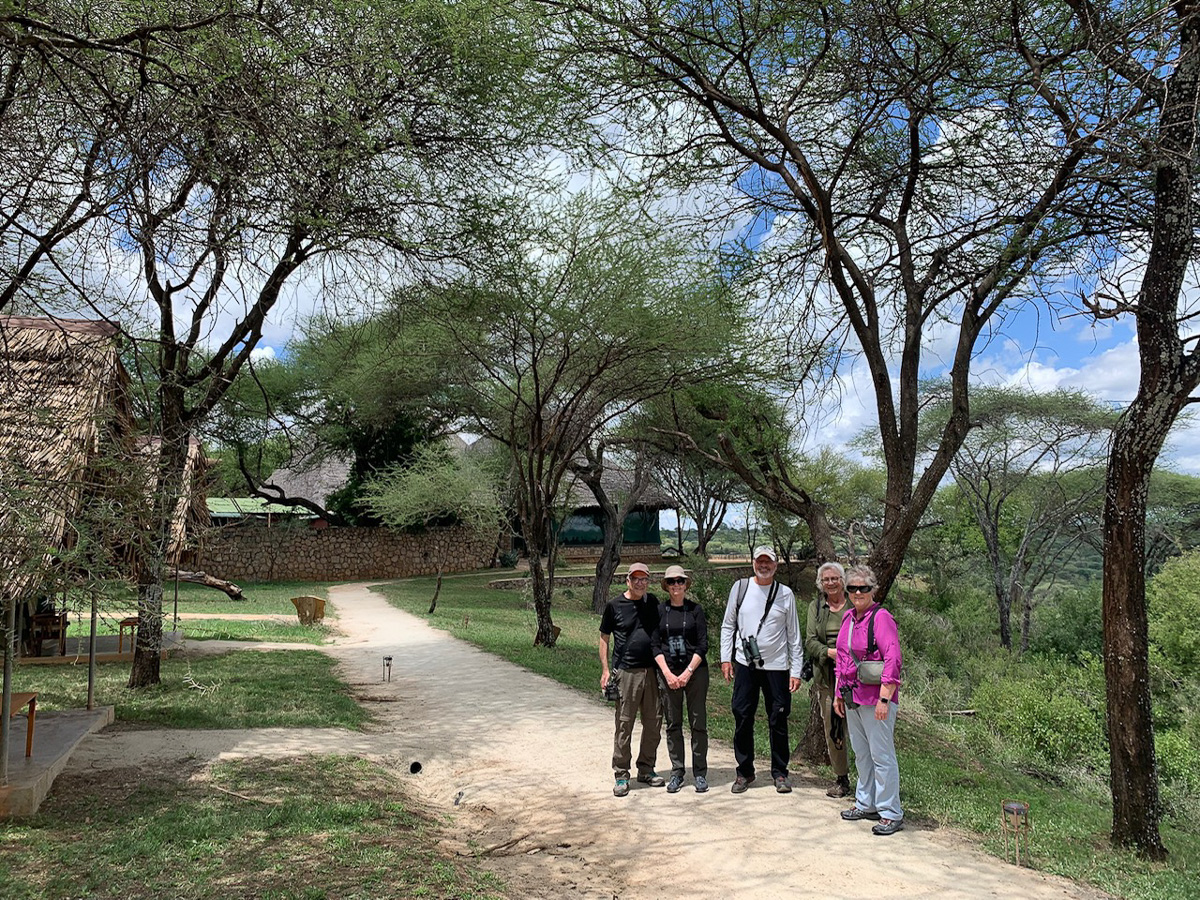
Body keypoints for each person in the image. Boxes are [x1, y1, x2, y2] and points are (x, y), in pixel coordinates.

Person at [720, 545, 803, 794]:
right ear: (753, 563)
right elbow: (728, 625)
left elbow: (794, 635)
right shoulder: (741, 588)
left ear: (776, 566)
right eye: (760, 561)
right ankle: (744, 771)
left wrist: (796, 670)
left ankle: (780, 772)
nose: (764, 566)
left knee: (778, 719)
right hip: (745, 664)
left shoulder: (785, 594)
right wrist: (726, 658)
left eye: (769, 562)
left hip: (777, 667)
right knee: (742, 715)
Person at [833, 564, 904, 835]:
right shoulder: (849, 618)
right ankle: (866, 802)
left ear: (873, 589)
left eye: (863, 587)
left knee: (882, 755)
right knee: (862, 754)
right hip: (854, 697)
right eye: (852, 588)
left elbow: (892, 658)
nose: (858, 592)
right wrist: (839, 693)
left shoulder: (881, 617)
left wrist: (885, 699)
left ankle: (890, 811)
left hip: (876, 699)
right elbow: (842, 659)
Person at [600, 561, 665, 797]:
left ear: (648, 581)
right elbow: (604, 638)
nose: (640, 583)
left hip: (650, 671)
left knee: (654, 722)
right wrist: (606, 670)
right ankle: (621, 774)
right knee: (624, 723)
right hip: (626, 673)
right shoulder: (614, 605)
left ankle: (646, 769)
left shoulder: (653, 602)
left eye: (644, 579)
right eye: (635, 578)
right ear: (627, 580)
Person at [651, 564, 710, 794]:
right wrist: (667, 673)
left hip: (695, 672)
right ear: (666, 586)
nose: (676, 585)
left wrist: (687, 672)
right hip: (668, 672)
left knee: (698, 723)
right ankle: (677, 771)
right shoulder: (660, 611)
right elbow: (654, 644)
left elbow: (703, 644)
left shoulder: (695, 610)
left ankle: (700, 773)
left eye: (680, 581)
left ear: (686, 584)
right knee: (673, 724)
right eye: (672, 581)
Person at [805, 561, 852, 797]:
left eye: (835, 578)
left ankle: (869, 780)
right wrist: (829, 653)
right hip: (827, 677)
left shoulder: (855, 603)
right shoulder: (817, 607)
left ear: (843, 580)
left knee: (859, 728)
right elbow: (810, 641)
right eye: (826, 580)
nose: (831, 583)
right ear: (820, 584)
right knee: (834, 730)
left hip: (856, 678)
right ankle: (842, 778)